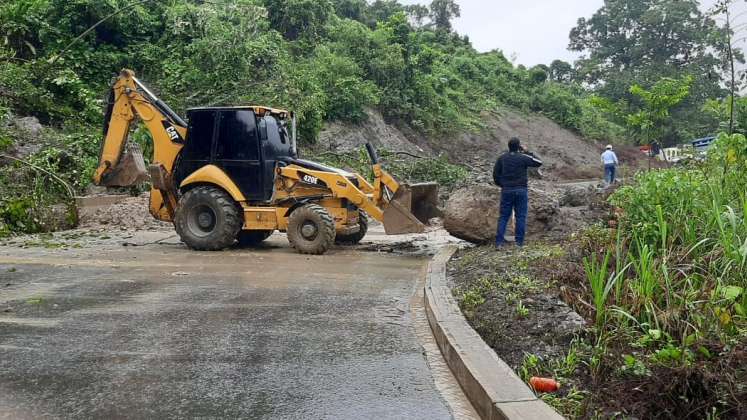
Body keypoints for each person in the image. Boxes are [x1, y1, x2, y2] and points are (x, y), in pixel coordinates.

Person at [492, 137, 543, 247]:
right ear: (519, 146)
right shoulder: (523, 157)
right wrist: (527, 151)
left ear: (508, 146)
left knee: (504, 216)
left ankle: (499, 243)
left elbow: (495, 175)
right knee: (521, 216)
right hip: (521, 190)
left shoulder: (502, 158)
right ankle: (519, 243)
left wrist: (502, 184)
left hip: (507, 190)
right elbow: (539, 162)